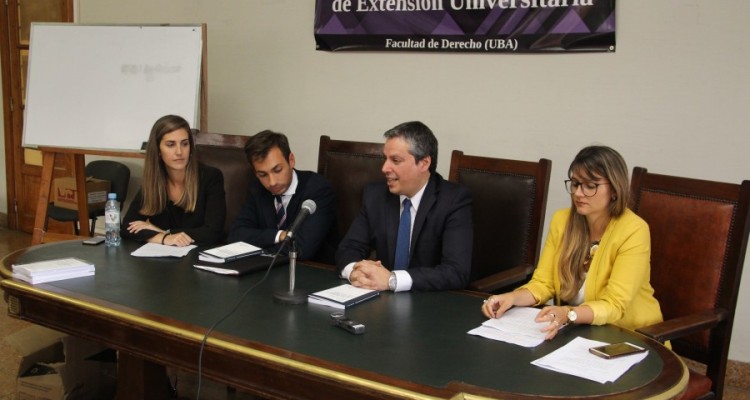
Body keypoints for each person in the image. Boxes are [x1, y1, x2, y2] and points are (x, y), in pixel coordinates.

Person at [482, 145, 663, 340]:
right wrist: (511, 298)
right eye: (575, 184)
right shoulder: (562, 221)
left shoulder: (633, 230)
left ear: (614, 189)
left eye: (590, 186)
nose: (578, 193)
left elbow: (614, 304)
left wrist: (568, 314)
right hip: (577, 334)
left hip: (630, 337)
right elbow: (543, 283)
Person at [336, 121, 473, 292]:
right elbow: (349, 248)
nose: (384, 168)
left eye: (395, 160)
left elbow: (456, 272)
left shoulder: (453, 200)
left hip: (431, 305)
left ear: (424, 163)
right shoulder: (376, 195)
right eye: (385, 159)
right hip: (381, 303)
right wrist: (354, 272)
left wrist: (392, 280)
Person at [227, 130, 338, 262]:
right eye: (263, 175)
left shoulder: (318, 189)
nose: (272, 182)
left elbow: (302, 249)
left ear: (291, 160)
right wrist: (279, 236)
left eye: (277, 170)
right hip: (267, 270)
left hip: (312, 270)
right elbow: (236, 235)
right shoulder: (257, 188)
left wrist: (257, 248)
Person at [122, 115, 226, 247]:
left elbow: (213, 233)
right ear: (158, 151)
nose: (179, 152)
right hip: (165, 260)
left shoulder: (211, 177)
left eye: (185, 144)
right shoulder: (153, 181)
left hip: (201, 256)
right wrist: (164, 238)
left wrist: (164, 232)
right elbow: (127, 227)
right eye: (171, 145)